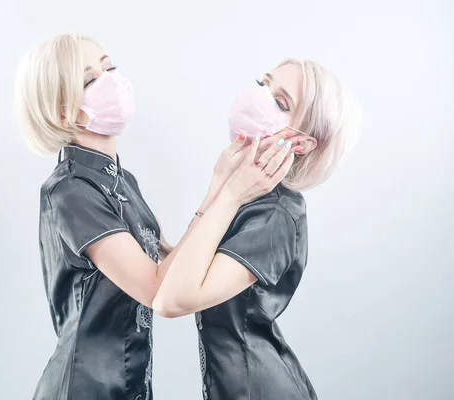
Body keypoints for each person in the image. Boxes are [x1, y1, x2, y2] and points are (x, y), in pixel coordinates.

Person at [14, 32, 303, 400]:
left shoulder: (120, 179)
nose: (112, 81)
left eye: (110, 68)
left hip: (131, 383)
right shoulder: (70, 190)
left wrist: (218, 185)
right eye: (90, 80)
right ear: (61, 111)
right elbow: (157, 289)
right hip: (86, 388)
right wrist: (227, 196)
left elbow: (170, 263)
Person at [153, 59, 362, 400]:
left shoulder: (277, 213)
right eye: (262, 84)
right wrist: (220, 184)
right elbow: (180, 274)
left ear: (301, 144)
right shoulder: (249, 195)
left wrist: (229, 191)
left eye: (281, 103)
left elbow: (173, 300)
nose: (259, 97)